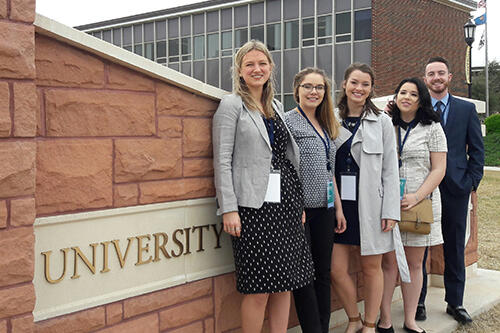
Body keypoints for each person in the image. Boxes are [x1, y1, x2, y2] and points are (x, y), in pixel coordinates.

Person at [212, 40, 315, 333]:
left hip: (286, 204)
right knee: (259, 289)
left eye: (262, 64)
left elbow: (286, 158)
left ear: (270, 68)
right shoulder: (231, 105)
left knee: (285, 284)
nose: (257, 69)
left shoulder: (277, 106)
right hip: (252, 209)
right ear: (240, 71)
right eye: (250, 65)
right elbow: (222, 161)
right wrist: (229, 209)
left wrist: (299, 205)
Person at [330, 63, 409, 333]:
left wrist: (391, 211)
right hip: (339, 205)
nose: (359, 88)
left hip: (372, 206)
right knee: (336, 269)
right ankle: (353, 317)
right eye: (354, 82)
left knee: (371, 268)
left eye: (365, 84)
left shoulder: (383, 122)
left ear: (371, 89)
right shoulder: (330, 118)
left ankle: (370, 323)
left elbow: (390, 169)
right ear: (344, 84)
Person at [415, 57, 484, 325]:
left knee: (455, 246)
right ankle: (417, 301)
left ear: (450, 77)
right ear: (425, 78)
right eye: (431, 73)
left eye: (440, 73)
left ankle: (455, 302)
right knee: (419, 246)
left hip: (456, 189)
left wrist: (471, 183)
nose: (436, 78)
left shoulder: (466, 110)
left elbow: (477, 152)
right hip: (424, 190)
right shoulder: (417, 108)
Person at [378, 78, 447, 333]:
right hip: (387, 205)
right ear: (395, 97)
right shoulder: (385, 124)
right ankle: (384, 320)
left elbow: (439, 169)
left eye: (413, 94)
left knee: (415, 264)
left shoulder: (432, 128)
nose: (406, 97)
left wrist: (416, 196)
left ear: (421, 100)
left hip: (420, 205)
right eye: (402, 92)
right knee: (388, 264)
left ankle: (409, 319)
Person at [285, 67, 347, 333]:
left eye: (319, 87)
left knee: (323, 273)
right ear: (297, 89)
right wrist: (294, 206)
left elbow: (329, 170)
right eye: (308, 87)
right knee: (303, 276)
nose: (314, 92)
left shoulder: (326, 123)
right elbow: (285, 168)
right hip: (300, 210)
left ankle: (323, 327)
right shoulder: (288, 122)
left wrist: (339, 209)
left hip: (325, 208)